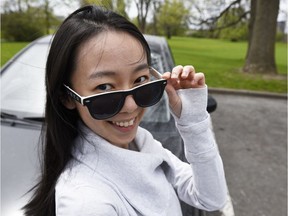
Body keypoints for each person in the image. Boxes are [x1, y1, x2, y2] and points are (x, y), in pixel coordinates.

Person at [23, 5, 227, 216]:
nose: (131, 106)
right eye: (104, 87)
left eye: (140, 80)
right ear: (67, 97)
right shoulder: (88, 203)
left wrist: (192, 120)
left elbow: (210, 197)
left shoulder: (140, 143)